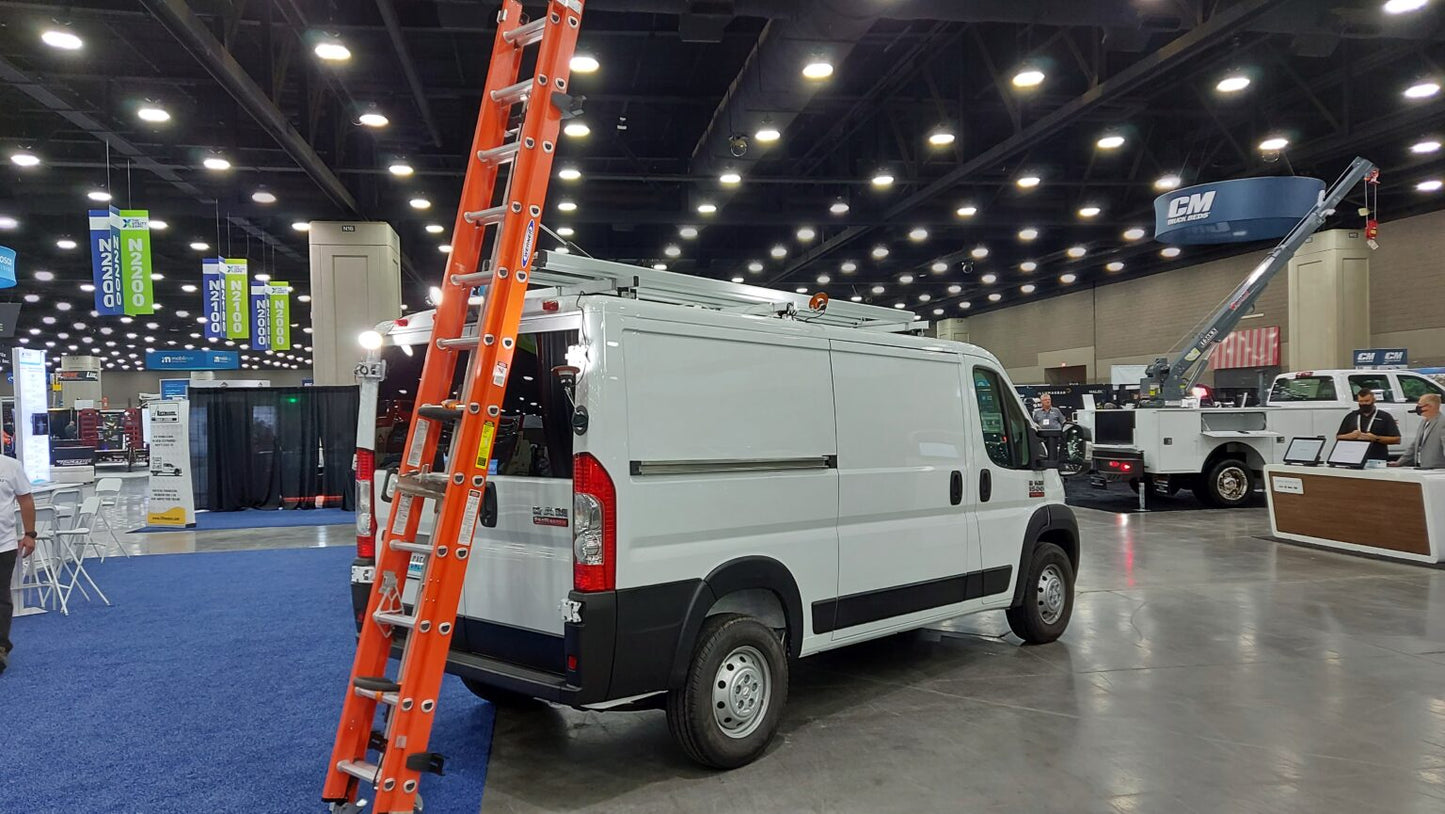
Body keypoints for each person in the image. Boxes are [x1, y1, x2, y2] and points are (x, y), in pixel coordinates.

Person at [0, 453, 36, 675]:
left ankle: (1, 647)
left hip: (3, 545)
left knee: (1, 597)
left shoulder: (11, 466)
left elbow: (26, 499)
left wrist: (30, 534)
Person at [1336, 388, 1401, 463]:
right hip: (1354, 458)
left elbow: (1397, 439)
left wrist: (1376, 438)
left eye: (1367, 401)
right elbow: (1338, 437)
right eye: (1361, 401)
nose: (1364, 404)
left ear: (1373, 400)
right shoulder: (1351, 416)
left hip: (1377, 459)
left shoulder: (1385, 416)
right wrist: (1350, 436)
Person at [1392, 393, 1444, 469]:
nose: (1417, 407)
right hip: (1422, 467)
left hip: (1437, 469)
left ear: (1429, 406)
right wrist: (1399, 463)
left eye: (1420, 404)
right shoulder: (1424, 422)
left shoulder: (1442, 423)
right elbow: (1415, 445)